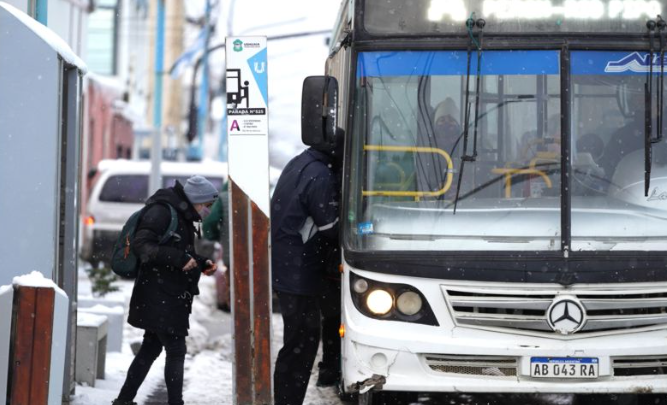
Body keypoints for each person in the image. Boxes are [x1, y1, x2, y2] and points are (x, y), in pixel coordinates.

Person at [112, 175, 219, 405]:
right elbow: (143, 245)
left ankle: (123, 400)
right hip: (159, 294)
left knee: (150, 349)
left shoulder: (183, 215)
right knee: (176, 350)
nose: (208, 211)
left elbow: (176, 250)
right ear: (196, 200)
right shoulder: (162, 212)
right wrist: (180, 259)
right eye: (207, 206)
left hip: (165, 293)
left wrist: (201, 263)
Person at [271, 142, 341, 405]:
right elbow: (330, 226)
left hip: (290, 267)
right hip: (300, 270)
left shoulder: (299, 163)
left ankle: (287, 399)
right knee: (301, 343)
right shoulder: (320, 175)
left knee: (297, 341)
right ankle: (287, 400)